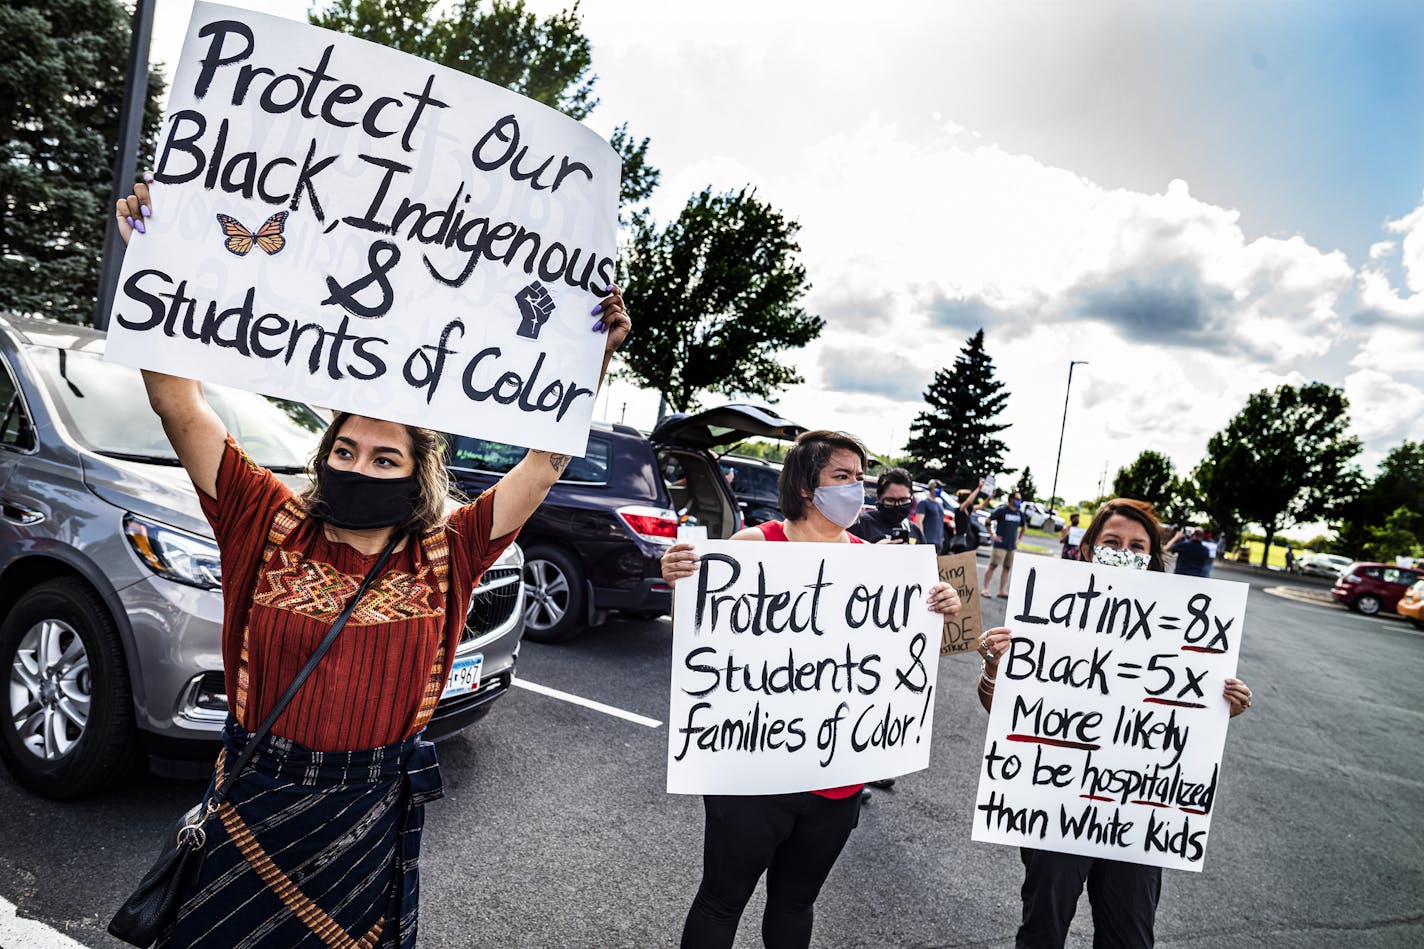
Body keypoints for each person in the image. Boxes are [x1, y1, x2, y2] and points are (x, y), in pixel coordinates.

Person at [114, 179, 631, 948]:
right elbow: (179, 405)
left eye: (385, 456)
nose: (360, 464)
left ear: (417, 472)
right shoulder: (266, 519)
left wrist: (587, 355)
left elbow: (547, 457)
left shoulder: (448, 550)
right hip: (256, 800)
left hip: (363, 823)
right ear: (325, 457)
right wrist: (157, 258)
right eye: (346, 450)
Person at [659, 431, 962, 949]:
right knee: (721, 900)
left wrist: (944, 610)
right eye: (841, 477)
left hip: (834, 783)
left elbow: (900, 662)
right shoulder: (753, 548)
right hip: (751, 774)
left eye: (859, 478)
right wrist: (677, 573)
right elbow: (711, 636)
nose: (856, 489)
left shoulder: (879, 566)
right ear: (804, 486)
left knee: (796, 903)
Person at [976, 498, 1254, 949]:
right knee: (1042, 932)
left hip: (1138, 811)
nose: (1124, 551)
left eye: (1137, 545)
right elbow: (1005, 712)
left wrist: (1223, 707)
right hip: (1057, 804)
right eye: (1112, 541)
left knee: (1129, 937)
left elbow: (1184, 722)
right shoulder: (1050, 609)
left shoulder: (1181, 626)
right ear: (1087, 548)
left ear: (1153, 557)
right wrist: (994, 669)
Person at [849, 466, 925, 545]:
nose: (897, 505)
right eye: (890, 500)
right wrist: (874, 550)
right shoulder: (860, 525)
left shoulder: (915, 531)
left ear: (912, 497)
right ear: (879, 498)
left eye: (903, 500)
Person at [983, 491, 1027, 597]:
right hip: (1000, 545)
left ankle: (1001, 591)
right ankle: (985, 589)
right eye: (1017, 499)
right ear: (1011, 499)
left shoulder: (1019, 512)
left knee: (1007, 568)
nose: (1019, 501)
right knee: (993, 565)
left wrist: (1019, 539)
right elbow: (988, 520)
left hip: (1011, 546)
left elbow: (1024, 526)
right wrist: (992, 535)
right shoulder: (1002, 510)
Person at [946, 478, 986, 553]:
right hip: (960, 541)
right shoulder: (960, 509)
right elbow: (969, 501)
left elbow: (982, 506)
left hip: (967, 539)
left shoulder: (968, 509)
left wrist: (990, 497)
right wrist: (979, 488)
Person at [915, 479, 949, 553]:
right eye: (938, 488)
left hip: (938, 542)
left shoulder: (939, 504)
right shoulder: (924, 503)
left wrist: (942, 538)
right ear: (932, 488)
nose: (940, 490)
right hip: (928, 541)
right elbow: (919, 522)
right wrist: (921, 539)